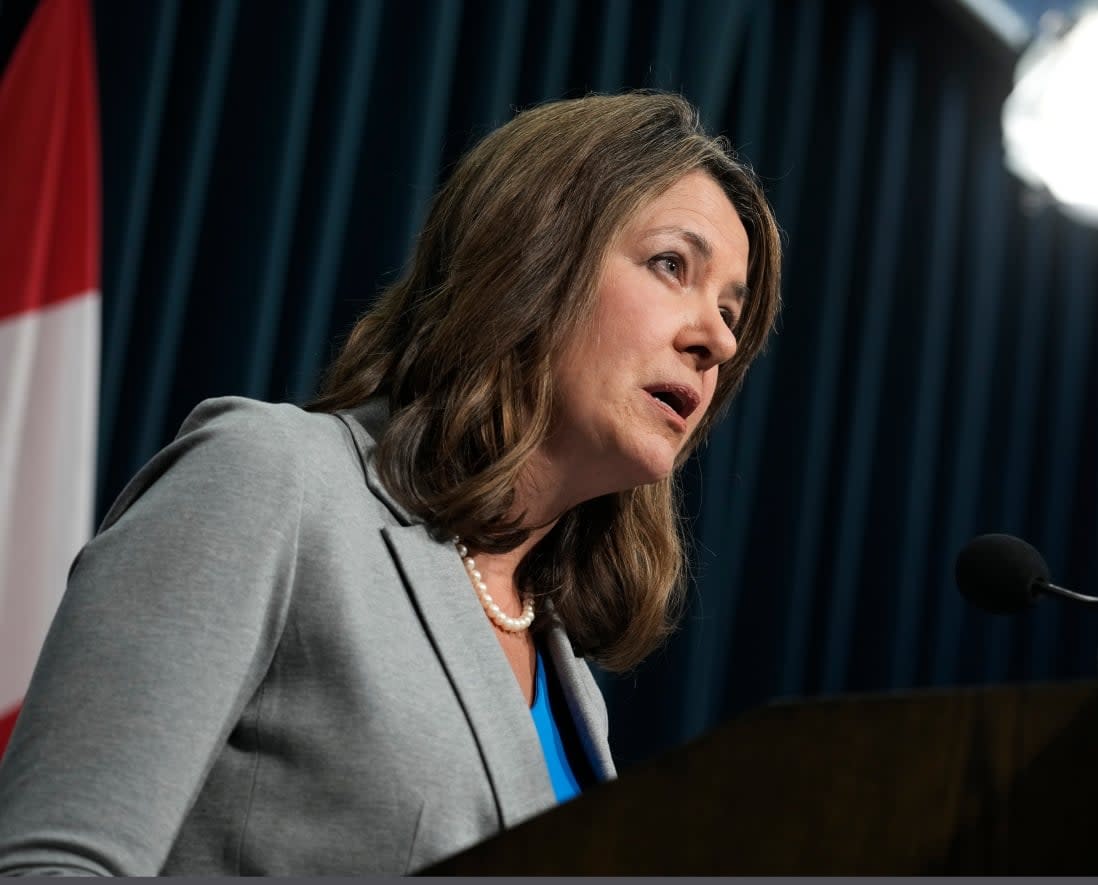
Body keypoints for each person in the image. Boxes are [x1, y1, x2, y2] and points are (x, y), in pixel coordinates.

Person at [0, 90, 782, 875]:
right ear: (535, 257)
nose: (716, 337)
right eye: (671, 265)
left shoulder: (573, 682)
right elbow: (48, 867)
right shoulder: (272, 480)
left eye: (730, 311)